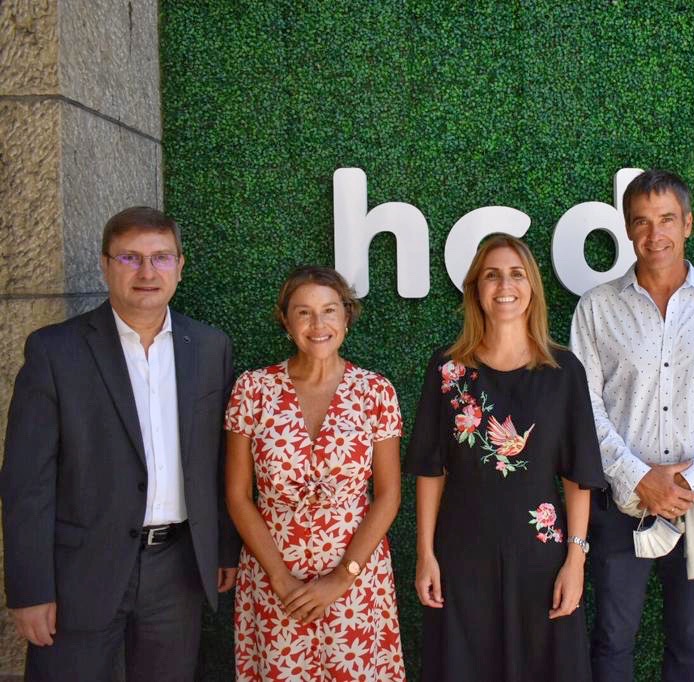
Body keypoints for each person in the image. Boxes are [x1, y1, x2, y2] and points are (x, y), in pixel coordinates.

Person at [0, 206, 241, 681]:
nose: (147, 272)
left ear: (180, 266)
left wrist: (222, 548)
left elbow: (217, 460)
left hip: (177, 570)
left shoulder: (210, 347)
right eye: (130, 258)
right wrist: (30, 589)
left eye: (161, 257)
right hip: (79, 571)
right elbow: (26, 482)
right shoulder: (55, 351)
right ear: (105, 265)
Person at [570, 169, 694, 681]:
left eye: (667, 220)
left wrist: (693, 481)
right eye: (641, 221)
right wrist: (638, 477)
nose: (655, 234)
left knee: (690, 640)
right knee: (612, 638)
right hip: (620, 504)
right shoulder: (597, 307)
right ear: (628, 229)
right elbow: (584, 405)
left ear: (688, 224)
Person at [405, 234, 605, 681]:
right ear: (476, 289)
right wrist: (425, 554)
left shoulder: (563, 372)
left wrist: (575, 562)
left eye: (516, 274)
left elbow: (579, 477)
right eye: (492, 275)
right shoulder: (447, 370)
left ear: (532, 286)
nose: (505, 286)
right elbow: (430, 470)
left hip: (541, 561)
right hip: (461, 560)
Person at [225, 265, 405, 681]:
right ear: (286, 321)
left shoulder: (375, 392)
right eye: (303, 313)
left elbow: (388, 495)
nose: (318, 325)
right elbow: (238, 496)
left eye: (329, 311)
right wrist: (281, 579)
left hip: (355, 578)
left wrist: (342, 577)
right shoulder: (252, 390)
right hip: (274, 578)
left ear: (346, 316)